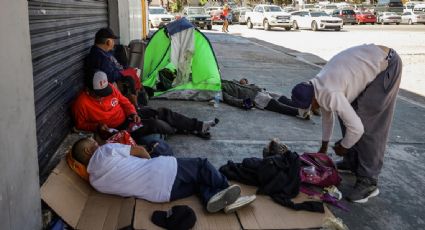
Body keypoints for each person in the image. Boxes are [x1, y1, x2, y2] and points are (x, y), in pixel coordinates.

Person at [290, 44, 402, 203]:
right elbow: (328, 115)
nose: (312, 110)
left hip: (387, 64)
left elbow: (357, 129)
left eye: (310, 107)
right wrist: (324, 145)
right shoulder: (317, 85)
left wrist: (344, 145)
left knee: (366, 121)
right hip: (368, 60)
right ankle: (351, 161)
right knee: (346, 113)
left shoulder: (331, 93)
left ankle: (369, 181)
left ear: (313, 100)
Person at [71, 137, 256, 213]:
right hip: (162, 172)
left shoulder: (94, 182)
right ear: (88, 150)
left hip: (162, 196)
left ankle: (212, 198)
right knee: (202, 165)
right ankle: (228, 192)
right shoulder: (106, 150)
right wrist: (150, 162)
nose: (96, 141)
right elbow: (140, 150)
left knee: (198, 180)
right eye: (92, 141)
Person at [72, 71, 219, 144]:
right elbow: (80, 124)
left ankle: (199, 126)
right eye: (99, 94)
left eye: (105, 93)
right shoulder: (81, 103)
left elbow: (124, 102)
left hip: (128, 117)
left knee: (162, 112)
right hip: (120, 130)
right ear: (88, 90)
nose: (104, 96)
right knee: (154, 124)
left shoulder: (109, 88)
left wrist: (132, 113)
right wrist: (97, 126)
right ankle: (184, 128)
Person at [85, 28, 142, 107]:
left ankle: (135, 103)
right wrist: (123, 73)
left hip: (117, 74)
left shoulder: (104, 52)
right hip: (111, 83)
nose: (114, 43)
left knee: (132, 72)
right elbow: (110, 76)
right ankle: (134, 106)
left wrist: (125, 69)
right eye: (113, 40)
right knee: (129, 80)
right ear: (108, 42)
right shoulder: (99, 57)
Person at [221, 78, 310, 119]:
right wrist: (244, 102)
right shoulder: (221, 90)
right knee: (276, 105)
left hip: (258, 89)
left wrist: (244, 80)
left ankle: (303, 106)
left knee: (281, 98)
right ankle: (300, 112)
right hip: (255, 97)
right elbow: (231, 100)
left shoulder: (227, 81)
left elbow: (241, 82)